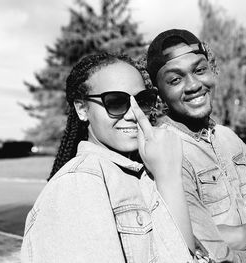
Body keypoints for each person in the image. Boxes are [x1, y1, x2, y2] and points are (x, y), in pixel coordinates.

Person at [21, 52, 219, 262]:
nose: (134, 114)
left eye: (142, 100)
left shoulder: (145, 172)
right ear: (82, 109)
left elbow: (182, 253)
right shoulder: (79, 183)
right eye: (115, 102)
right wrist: (168, 177)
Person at [146, 29, 246, 262]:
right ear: (159, 94)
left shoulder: (228, 137)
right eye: (175, 79)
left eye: (199, 70)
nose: (193, 85)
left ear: (212, 71)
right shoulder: (165, 151)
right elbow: (204, 247)